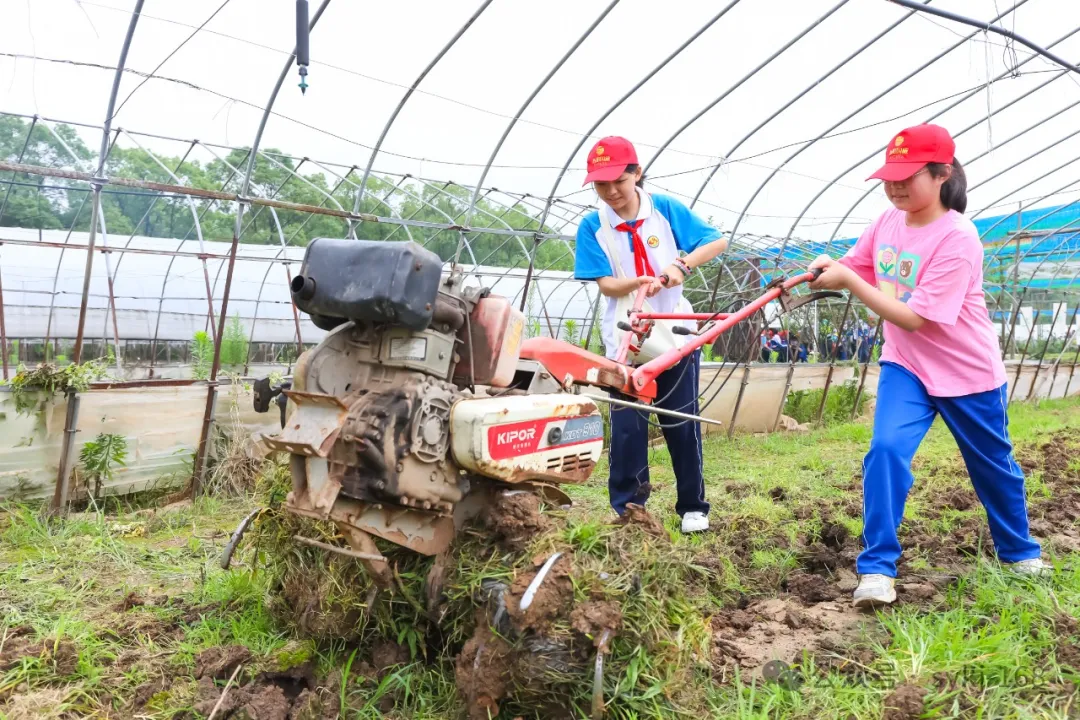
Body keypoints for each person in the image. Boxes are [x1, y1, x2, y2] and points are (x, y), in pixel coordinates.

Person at [809, 123, 1048, 608]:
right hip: (908, 367)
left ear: (941, 174)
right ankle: (876, 568)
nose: (894, 186)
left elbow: (915, 317)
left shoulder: (959, 238)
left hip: (967, 373)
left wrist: (849, 284)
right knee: (885, 452)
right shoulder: (886, 223)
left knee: (992, 467)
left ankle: (1019, 552)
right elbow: (859, 266)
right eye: (889, 177)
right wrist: (827, 267)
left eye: (907, 177)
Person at [573, 136, 728, 534]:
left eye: (618, 183)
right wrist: (633, 284)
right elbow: (605, 283)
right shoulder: (594, 225)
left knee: (681, 422)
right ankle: (629, 508)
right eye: (600, 186)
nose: (610, 193)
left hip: (674, 335)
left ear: (636, 174)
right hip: (625, 338)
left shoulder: (666, 212)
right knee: (628, 427)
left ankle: (693, 506)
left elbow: (716, 241)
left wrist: (681, 266)